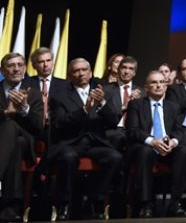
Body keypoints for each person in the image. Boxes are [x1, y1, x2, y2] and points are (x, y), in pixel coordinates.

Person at [47, 58, 123, 220]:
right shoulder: (60, 96)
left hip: (96, 142)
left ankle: (94, 201)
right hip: (71, 142)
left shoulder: (103, 92)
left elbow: (113, 122)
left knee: (115, 157)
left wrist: (102, 103)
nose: (81, 73)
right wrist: (84, 109)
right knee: (68, 157)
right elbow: (60, 123)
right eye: (76, 71)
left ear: (90, 73)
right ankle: (64, 205)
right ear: (69, 76)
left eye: (84, 70)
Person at [125, 70, 186, 217]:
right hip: (145, 146)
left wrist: (173, 142)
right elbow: (133, 131)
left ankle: (175, 203)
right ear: (146, 87)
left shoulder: (173, 107)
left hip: (167, 148)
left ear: (166, 87)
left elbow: (179, 131)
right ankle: (146, 204)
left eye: (162, 82)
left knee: (183, 151)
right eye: (154, 82)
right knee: (145, 151)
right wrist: (152, 141)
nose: (158, 85)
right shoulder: (136, 105)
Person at [0, 53, 44, 222]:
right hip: (6, 142)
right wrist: (6, 112)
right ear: (3, 70)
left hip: (28, 142)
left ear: (25, 68)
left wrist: (25, 109)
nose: (16, 69)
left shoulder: (34, 93)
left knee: (15, 131)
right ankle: (10, 208)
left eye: (20, 65)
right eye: (11, 65)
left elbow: (38, 126)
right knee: (16, 142)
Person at [103, 55, 142, 150]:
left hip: (133, 131)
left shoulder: (142, 93)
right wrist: (125, 106)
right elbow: (104, 115)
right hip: (113, 130)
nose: (126, 71)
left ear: (134, 73)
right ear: (119, 69)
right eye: (124, 67)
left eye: (130, 69)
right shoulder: (106, 90)